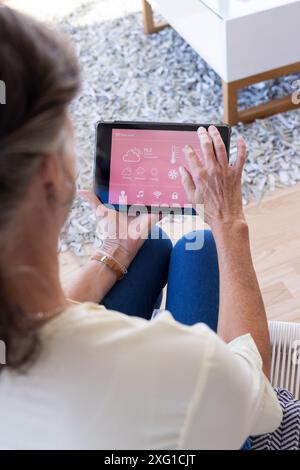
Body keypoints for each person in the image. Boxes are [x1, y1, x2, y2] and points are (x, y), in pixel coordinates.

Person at [0, 6, 282, 450]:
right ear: (50, 174)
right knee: (201, 243)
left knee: (148, 246)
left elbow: (38, 318)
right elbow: (261, 403)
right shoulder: (175, 366)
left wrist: (110, 253)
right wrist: (230, 223)